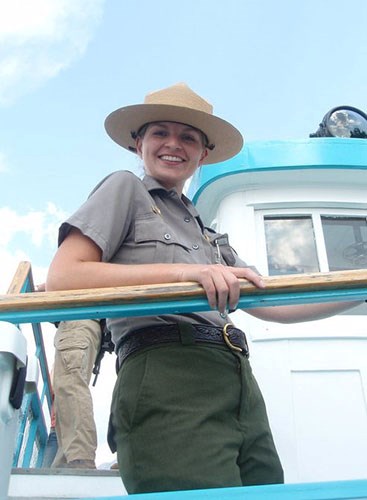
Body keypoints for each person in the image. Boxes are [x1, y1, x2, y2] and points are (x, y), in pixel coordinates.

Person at [46, 82, 360, 492]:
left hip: (236, 379)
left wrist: (359, 289)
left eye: (188, 137)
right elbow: (65, 276)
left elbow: (275, 303)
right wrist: (183, 274)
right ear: (137, 144)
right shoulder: (125, 188)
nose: (173, 144)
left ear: (203, 153)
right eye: (160, 132)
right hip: (167, 373)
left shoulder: (210, 236)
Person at [50, 319, 103, 469]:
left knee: (71, 385)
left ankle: (79, 457)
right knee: (65, 392)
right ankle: (67, 459)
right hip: (81, 322)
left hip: (77, 321)